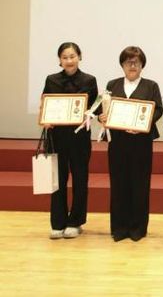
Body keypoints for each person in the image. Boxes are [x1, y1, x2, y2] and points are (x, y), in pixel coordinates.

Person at [98, 46, 163, 242]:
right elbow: (104, 108)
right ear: (122, 64)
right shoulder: (112, 85)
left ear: (142, 65)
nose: (132, 65)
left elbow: (158, 110)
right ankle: (119, 228)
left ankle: (137, 228)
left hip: (141, 142)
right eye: (128, 62)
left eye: (136, 62)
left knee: (140, 184)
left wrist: (144, 124)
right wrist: (102, 117)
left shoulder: (151, 86)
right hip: (117, 142)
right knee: (118, 184)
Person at [42, 42, 98, 239]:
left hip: (79, 138)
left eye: (72, 56)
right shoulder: (51, 80)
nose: (69, 61)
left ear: (79, 57)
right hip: (56, 137)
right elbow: (45, 104)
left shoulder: (89, 80)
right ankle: (57, 223)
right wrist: (45, 119)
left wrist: (90, 115)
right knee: (57, 180)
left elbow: (95, 108)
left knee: (80, 179)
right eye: (65, 57)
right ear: (60, 60)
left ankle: (75, 222)